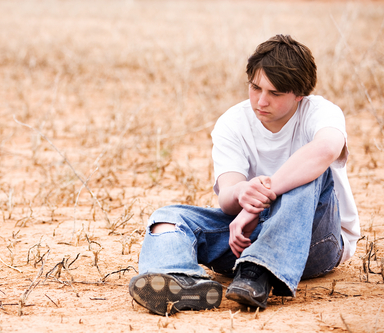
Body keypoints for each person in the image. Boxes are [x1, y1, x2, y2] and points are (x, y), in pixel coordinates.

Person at [129, 34, 360, 315]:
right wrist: (242, 194)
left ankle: (258, 269)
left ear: (300, 94)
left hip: (316, 243)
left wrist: (262, 196)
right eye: (255, 87)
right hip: (246, 240)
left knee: (311, 173)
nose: (261, 100)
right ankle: (181, 279)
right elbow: (228, 197)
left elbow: (326, 149)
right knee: (166, 218)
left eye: (275, 93)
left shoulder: (320, 112)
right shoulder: (232, 122)